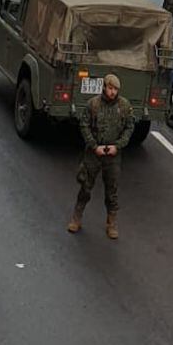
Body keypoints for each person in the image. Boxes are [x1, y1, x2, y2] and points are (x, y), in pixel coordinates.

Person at [67, 74, 134, 240]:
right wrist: (93, 145)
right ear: (104, 87)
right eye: (110, 88)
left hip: (113, 155)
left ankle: (111, 223)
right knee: (85, 185)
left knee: (112, 190)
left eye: (116, 89)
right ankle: (77, 217)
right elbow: (84, 125)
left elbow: (129, 127)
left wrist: (117, 146)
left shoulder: (124, 106)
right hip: (94, 153)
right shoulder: (93, 104)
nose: (113, 92)